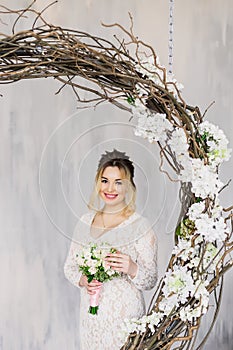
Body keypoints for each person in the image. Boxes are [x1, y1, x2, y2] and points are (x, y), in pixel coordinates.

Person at [64, 149, 157, 350]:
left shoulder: (140, 225)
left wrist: (132, 268)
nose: (110, 188)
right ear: (98, 182)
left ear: (129, 186)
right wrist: (83, 280)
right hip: (91, 320)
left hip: (125, 319)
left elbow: (150, 280)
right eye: (105, 180)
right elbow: (70, 267)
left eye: (118, 182)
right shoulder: (84, 222)